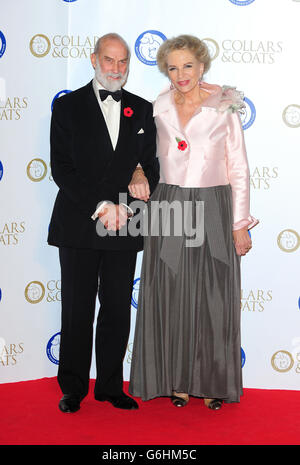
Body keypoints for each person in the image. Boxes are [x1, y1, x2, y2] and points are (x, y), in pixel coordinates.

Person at [128, 35, 258, 409]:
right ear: (165, 71)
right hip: (169, 204)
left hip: (214, 203)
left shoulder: (224, 103)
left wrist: (240, 223)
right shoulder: (159, 104)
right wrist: (137, 169)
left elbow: (239, 166)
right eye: (173, 67)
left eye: (188, 65)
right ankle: (177, 381)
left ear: (202, 67)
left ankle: (213, 383)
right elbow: (145, 154)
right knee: (170, 292)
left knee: (213, 296)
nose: (181, 74)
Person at [48, 33, 159, 413]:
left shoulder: (142, 110)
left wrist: (126, 206)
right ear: (94, 59)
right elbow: (62, 169)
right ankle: (73, 387)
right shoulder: (67, 107)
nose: (116, 68)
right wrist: (101, 205)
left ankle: (111, 385)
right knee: (77, 308)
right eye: (109, 60)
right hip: (81, 220)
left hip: (125, 220)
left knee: (115, 307)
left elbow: (150, 168)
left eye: (123, 61)